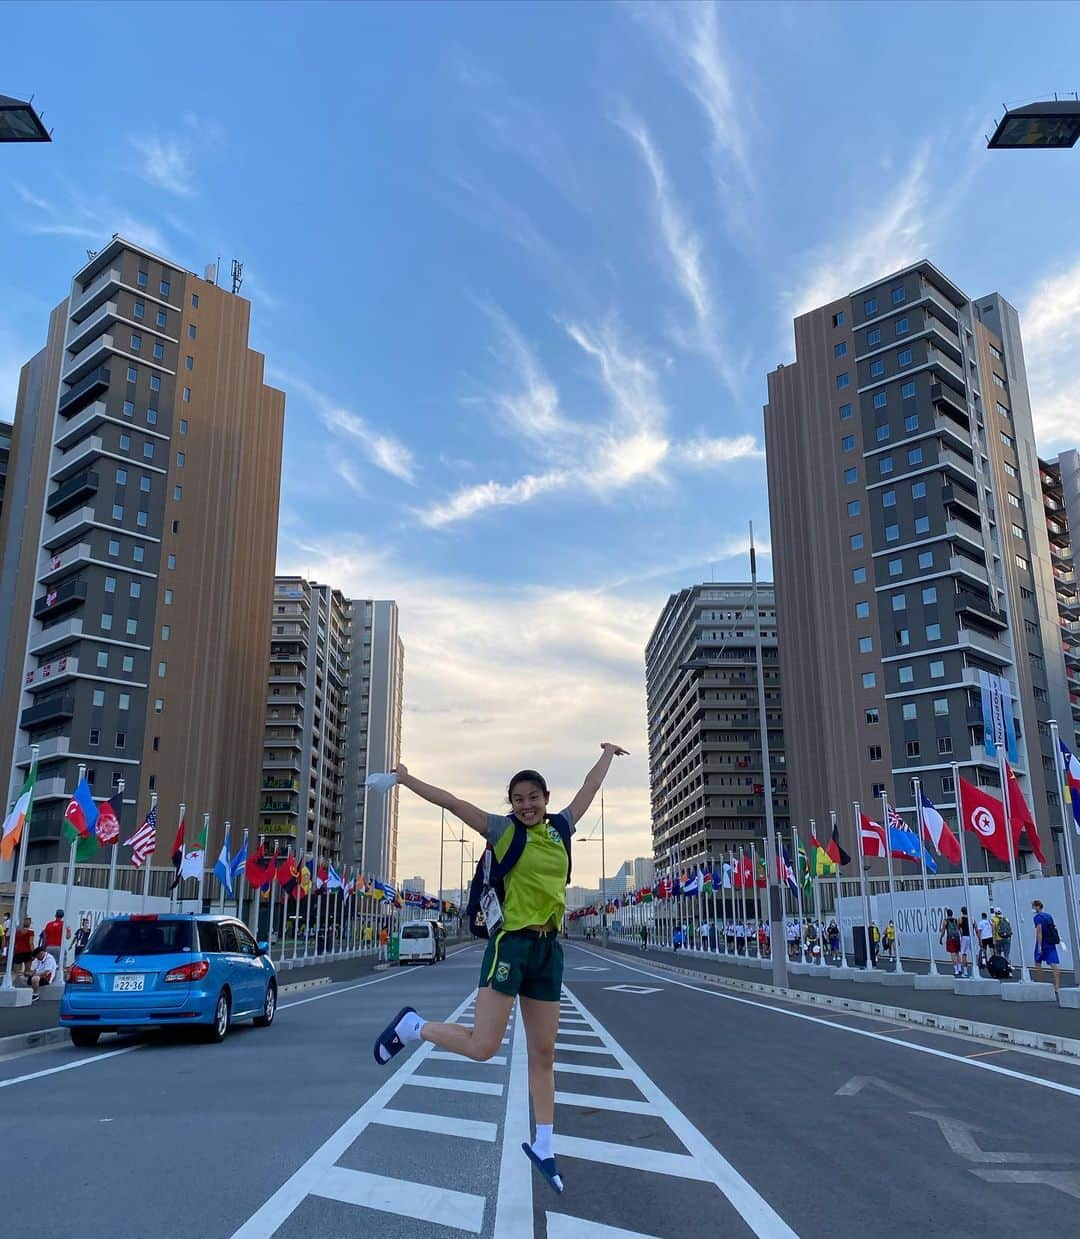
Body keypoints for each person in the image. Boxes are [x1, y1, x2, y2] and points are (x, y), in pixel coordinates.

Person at [371, 741, 628, 1197]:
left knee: (544, 1054)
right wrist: (406, 780)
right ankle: (415, 1027)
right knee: (483, 1046)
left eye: (534, 797)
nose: (526, 805)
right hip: (511, 946)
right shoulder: (504, 832)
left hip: (550, 951)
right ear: (510, 804)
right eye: (518, 798)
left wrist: (607, 753)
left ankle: (545, 1146)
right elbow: (451, 801)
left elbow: (589, 788)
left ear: (546, 799)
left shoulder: (561, 829)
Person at [1032, 900, 1062, 992]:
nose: (1032, 908)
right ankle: (1057, 986)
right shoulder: (1048, 916)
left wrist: (1039, 946)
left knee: (1037, 962)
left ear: (1037, 906)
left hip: (1043, 942)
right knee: (1053, 964)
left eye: (1033, 906)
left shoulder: (1038, 917)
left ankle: (1041, 984)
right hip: (1051, 942)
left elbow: (1039, 931)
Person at [940, 908, 962, 978]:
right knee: (958, 953)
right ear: (952, 914)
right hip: (957, 937)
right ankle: (960, 968)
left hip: (950, 938)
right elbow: (959, 929)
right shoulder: (956, 920)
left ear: (947, 914)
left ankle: (956, 970)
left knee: (953, 954)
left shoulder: (945, 921)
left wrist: (941, 938)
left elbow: (943, 931)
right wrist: (961, 936)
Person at [958, 906, 972, 979]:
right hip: (971, 937)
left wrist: (961, 935)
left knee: (963, 954)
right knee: (973, 953)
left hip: (965, 937)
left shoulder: (960, 919)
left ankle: (965, 971)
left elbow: (959, 928)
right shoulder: (971, 918)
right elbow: (975, 928)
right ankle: (975, 969)